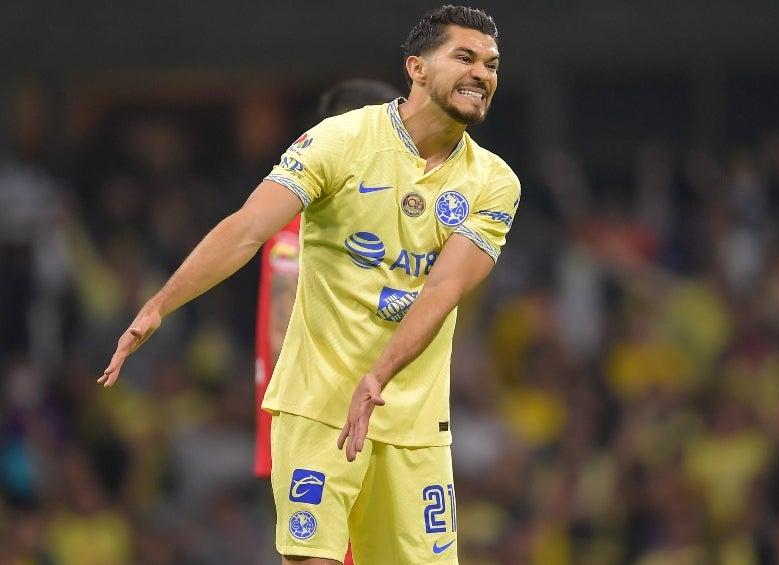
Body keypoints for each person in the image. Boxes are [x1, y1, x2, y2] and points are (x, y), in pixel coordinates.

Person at [100, 5, 519, 565]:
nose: (481, 74)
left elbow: (443, 289)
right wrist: (159, 304)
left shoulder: (494, 181)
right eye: (464, 57)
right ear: (416, 68)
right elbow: (248, 229)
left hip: (415, 423)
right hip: (319, 406)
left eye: (491, 64)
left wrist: (379, 374)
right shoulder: (340, 140)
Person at [254, 78, 402, 481]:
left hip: (360, 427)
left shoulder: (363, 220)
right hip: (320, 433)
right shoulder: (301, 224)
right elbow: (282, 334)